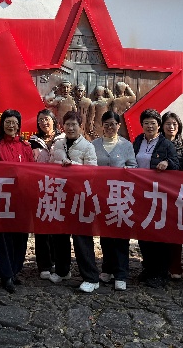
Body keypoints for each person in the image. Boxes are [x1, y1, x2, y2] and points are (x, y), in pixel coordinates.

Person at [47, 111, 99, 292]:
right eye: (67, 124)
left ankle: (91, 277)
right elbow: (51, 166)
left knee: (81, 238)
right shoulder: (58, 144)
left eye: (73, 124)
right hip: (61, 196)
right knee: (59, 236)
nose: (70, 128)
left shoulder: (88, 146)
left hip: (81, 198)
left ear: (80, 126)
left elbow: (93, 172)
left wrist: (74, 167)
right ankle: (62, 271)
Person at [0, 110, 34, 293]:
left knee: (21, 235)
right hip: (2, 197)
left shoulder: (25, 146)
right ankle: (6, 274)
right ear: (2, 124)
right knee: (4, 237)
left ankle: (15, 270)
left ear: (19, 125)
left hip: (22, 197)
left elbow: (32, 170)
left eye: (14, 122)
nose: (11, 125)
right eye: (7, 122)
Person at [131, 109, 179, 289]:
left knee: (158, 232)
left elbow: (176, 164)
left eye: (153, 123)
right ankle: (148, 267)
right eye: (146, 123)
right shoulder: (138, 141)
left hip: (158, 194)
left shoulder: (166, 144)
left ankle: (160, 272)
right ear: (142, 125)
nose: (149, 126)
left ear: (159, 125)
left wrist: (167, 163)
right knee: (143, 231)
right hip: (140, 193)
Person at [92, 111, 136, 291]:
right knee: (106, 236)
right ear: (102, 126)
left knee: (121, 236)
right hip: (102, 196)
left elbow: (133, 166)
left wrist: (127, 170)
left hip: (121, 196)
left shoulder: (126, 145)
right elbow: (90, 166)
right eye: (107, 124)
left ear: (119, 126)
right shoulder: (94, 145)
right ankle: (107, 268)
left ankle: (121, 274)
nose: (110, 127)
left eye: (113, 124)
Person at [28, 109, 63, 279]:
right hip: (40, 188)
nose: (44, 122)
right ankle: (44, 264)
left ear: (54, 121)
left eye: (47, 119)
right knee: (41, 227)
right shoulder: (32, 142)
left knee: (58, 227)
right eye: (40, 120)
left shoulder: (63, 139)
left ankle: (58, 261)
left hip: (60, 189)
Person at [161, 111, 183, 280]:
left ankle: (175, 267)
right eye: (168, 123)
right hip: (157, 194)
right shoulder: (156, 144)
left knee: (175, 233)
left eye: (174, 124)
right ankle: (158, 267)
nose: (171, 126)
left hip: (177, 196)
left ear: (179, 126)